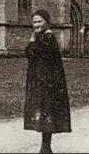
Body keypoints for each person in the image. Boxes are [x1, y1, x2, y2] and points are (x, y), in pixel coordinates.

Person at [24, 9, 71, 153]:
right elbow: (29, 54)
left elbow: (31, 52)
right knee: (45, 114)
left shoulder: (47, 38)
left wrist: (32, 39)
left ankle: (45, 148)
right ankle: (45, 147)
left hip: (48, 84)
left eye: (39, 21)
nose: (36, 25)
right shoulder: (43, 37)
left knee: (47, 113)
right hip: (44, 81)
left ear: (47, 22)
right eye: (34, 22)